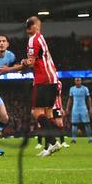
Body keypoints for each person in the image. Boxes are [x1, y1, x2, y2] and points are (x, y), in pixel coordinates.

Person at [21, 16, 60, 157]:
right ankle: (49, 146)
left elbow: (31, 63)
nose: (38, 27)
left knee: (37, 113)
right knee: (48, 114)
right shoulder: (41, 37)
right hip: (52, 78)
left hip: (43, 79)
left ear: (33, 27)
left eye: (33, 25)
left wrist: (22, 63)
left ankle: (54, 142)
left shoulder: (33, 40)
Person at [67, 77, 92, 144]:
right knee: (74, 124)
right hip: (75, 109)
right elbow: (70, 99)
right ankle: (74, 139)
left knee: (87, 124)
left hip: (83, 108)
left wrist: (90, 108)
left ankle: (90, 139)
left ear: (81, 81)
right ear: (74, 81)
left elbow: (88, 98)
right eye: (76, 80)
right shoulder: (72, 89)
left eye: (79, 80)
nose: (78, 81)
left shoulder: (85, 89)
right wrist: (67, 108)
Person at [52, 81, 69, 148]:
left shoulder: (59, 83)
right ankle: (51, 143)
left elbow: (59, 96)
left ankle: (63, 142)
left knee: (60, 124)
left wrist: (61, 108)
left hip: (57, 107)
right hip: (48, 107)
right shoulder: (46, 83)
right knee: (49, 125)